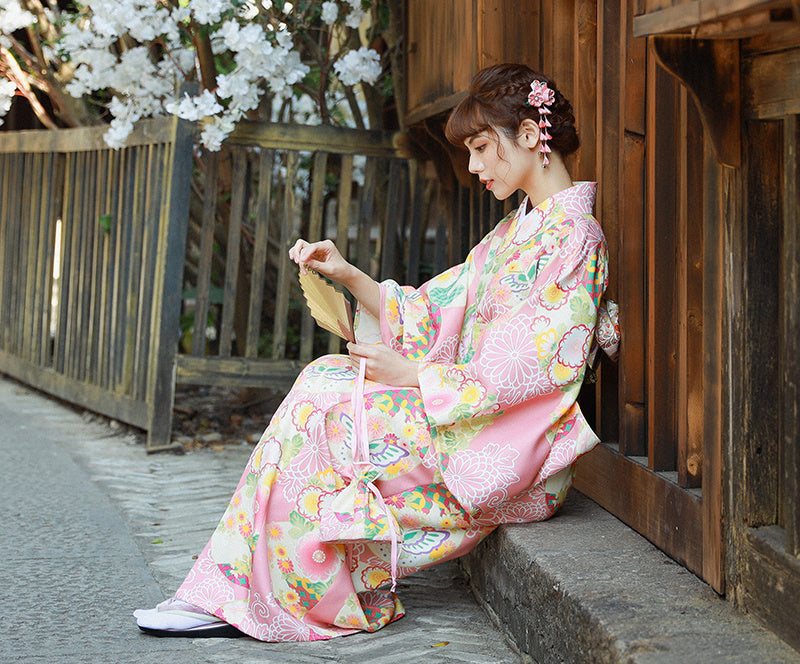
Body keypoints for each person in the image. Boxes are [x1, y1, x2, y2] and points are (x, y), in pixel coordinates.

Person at [134, 62, 619, 641]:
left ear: (532, 136)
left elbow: (532, 369)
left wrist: (416, 376)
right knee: (324, 381)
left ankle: (264, 590)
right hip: (468, 414)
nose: (473, 165)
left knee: (331, 414)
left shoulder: (574, 237)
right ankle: (236, 586)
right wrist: (349, 275)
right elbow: (440, 306)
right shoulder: (521, 229)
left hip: (506, 448)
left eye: (484, 147)